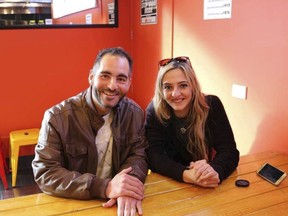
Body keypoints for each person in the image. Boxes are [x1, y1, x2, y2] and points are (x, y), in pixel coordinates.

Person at [32, 47, 148, 216]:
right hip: (70, 205)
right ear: (91, 76)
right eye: (105, 76)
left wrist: (127, 186)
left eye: (121, 79)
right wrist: (105, 187)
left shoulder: (135, 113)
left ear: (129, 82)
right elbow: (46, 172)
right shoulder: (57, 117)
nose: (112, 86)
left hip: (115, 205)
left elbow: (138, 156)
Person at [145, 56, 239, 188]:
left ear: (193, 86)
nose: (175, 94)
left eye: (183, 85)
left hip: (206, 180)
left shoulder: (212, 105)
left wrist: (215, 171)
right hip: (170, 182)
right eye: (168, 87)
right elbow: (154, 157)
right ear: (161, 89)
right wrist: (187, 175)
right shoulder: (154, 111)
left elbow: (229, 151)